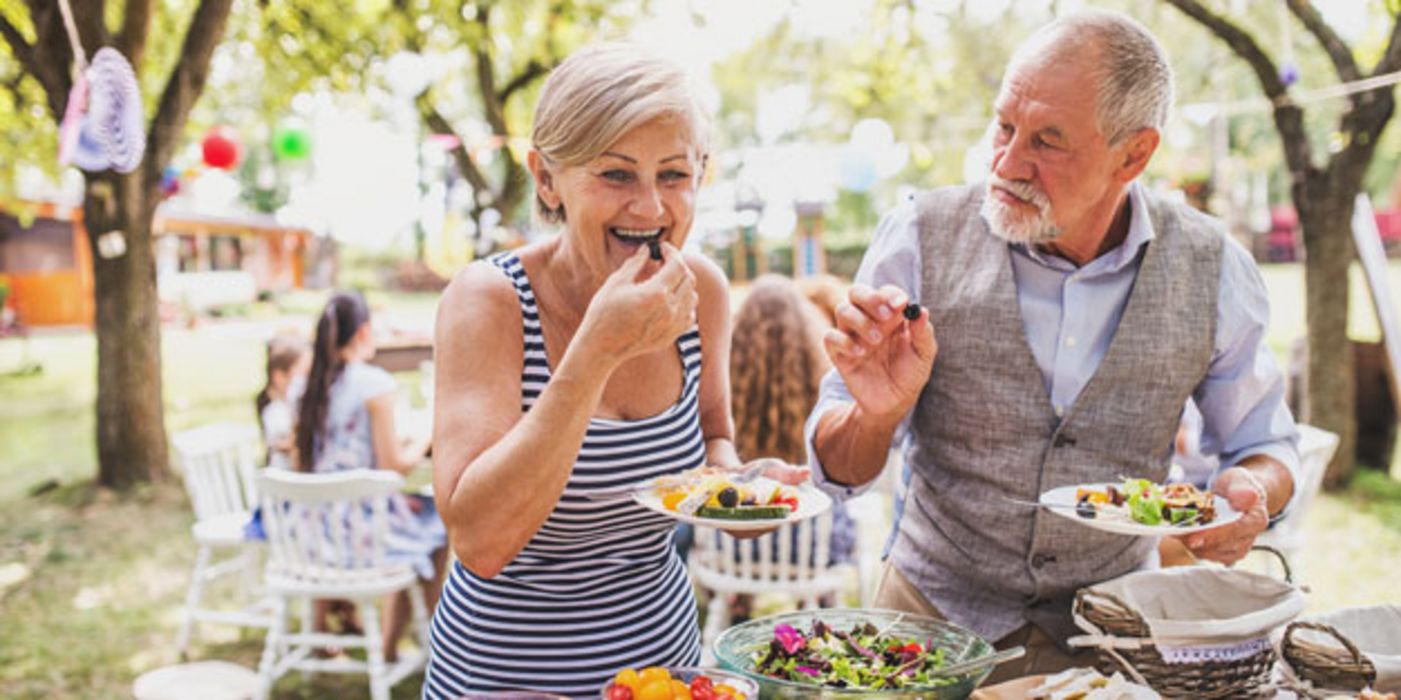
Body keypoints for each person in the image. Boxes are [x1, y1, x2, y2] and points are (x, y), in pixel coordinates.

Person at [806, 10, 1299, 683]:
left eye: (1046, 140)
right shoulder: (918, 236)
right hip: (927, 627)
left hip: (1115, 633)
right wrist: (876, 413)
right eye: (1003, 125)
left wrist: (1253, 490)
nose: (1006, 163)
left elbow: (1264, 444)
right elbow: (838, 470)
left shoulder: (1212, 266)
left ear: (1134, 153)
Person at [425, 44, 803, 697]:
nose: (651, 209)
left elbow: (713, 437)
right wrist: (596, 351)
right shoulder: (487, 301)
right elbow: (481, 541)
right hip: (507, 680)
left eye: (675, 175)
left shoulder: (701, 291)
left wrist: (738, 484)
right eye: (617, 175)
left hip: (664, 671)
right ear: (546, 179)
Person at [294, 290, 445, 663]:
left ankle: (319, 638)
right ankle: (395, 646)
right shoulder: (373, 384)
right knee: (437, 524)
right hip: (359, 538)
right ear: (363, 333)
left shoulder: (305, 386)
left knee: (414, 514)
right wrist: (427, 432)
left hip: (307, 534)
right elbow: (394, 465)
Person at [726, 274, 855, 616]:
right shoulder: (822, 384)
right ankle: (813, 602)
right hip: (814, 544)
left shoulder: (726, 387)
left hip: (735, 548)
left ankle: (740, 600)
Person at [255, 333, 310, 471]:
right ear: (279, 376)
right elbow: (282, 445)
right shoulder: (275, 411)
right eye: (303, 373)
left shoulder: (287, 406)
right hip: (284, 482)